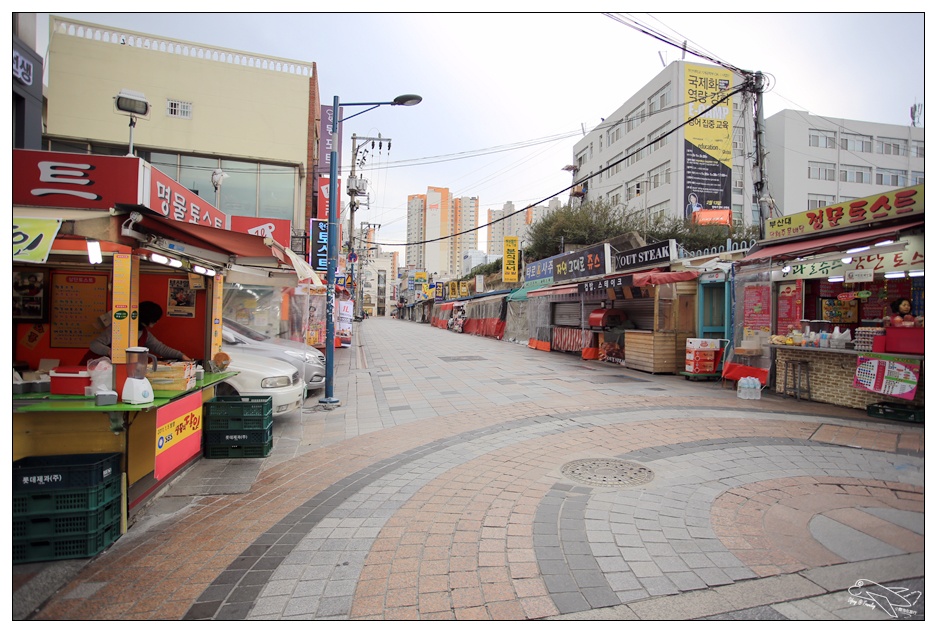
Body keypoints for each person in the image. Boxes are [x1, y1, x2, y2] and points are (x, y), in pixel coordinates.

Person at [82, 301, 192, 364]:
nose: (157, 321)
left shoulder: (144, 333)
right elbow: (94, 344)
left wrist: (181, 356)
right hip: (93, 369)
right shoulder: (118, 328)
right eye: (156, 318)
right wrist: (110, 352)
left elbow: (160, 348)